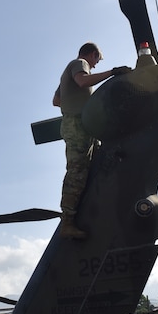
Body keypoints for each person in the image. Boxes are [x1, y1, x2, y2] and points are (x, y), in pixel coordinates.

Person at [52, 42, 130, 239]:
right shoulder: (79, 63)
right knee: (77, 172)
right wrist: (112, 72)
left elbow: (56, 100)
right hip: (77, 127)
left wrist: (76, 102)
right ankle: (68, 222)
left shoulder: (68, 71)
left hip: (82, 127)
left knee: (94, 167)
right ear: (93, 54)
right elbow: (82, 81)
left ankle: (81, 214)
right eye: (97, 60)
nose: (95, 65)